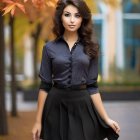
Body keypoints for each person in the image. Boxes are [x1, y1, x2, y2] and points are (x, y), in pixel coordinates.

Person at [32, 0, 120, 140]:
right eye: (67, 15)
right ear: (60, 17)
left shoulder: (92, 47)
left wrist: (106, 118)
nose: (72, 20)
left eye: (77, 16)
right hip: (55, 106)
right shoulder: (49, 48)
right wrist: (37, 122)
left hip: (82, 106)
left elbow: (92, 87)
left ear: (82, 19)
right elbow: (45, 86)